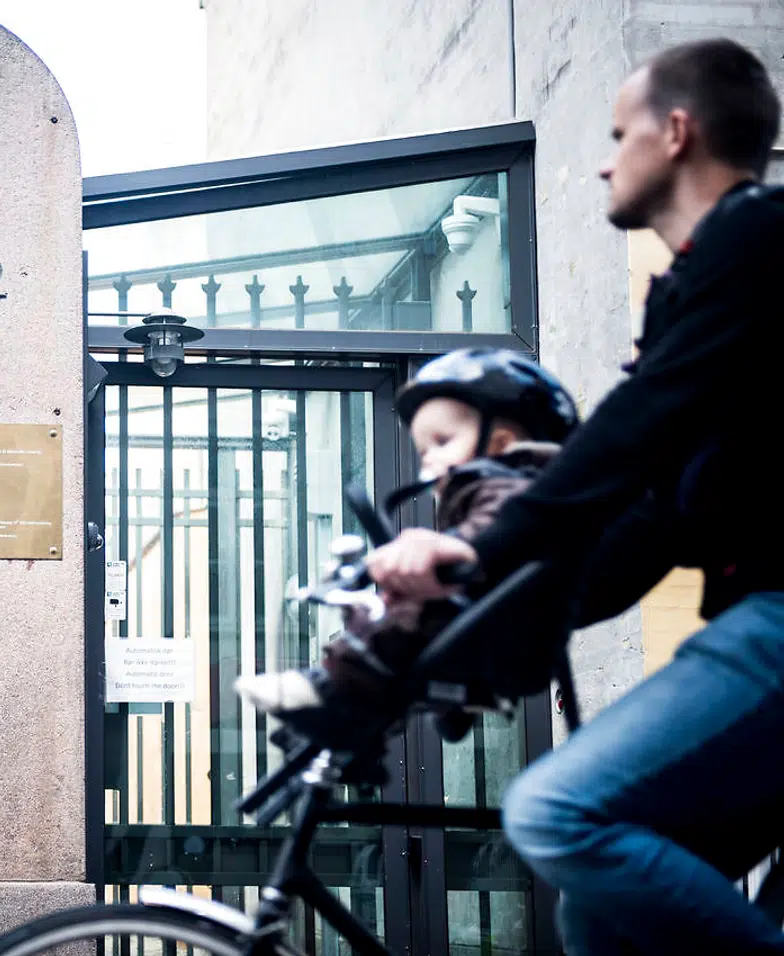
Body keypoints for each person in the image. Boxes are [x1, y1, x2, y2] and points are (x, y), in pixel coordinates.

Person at [363, 39, 784, 955]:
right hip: (753, 618)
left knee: (554, 810)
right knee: (601, 903)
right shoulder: (708, 287)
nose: (602, 157)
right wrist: (489, 609)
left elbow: (631, 430)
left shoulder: (759, 237)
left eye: (617, 132)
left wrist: (479, 549)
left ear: (676, 134)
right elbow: (655, 513)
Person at [235, 349, 577, 740]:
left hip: (499, 640)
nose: (428, 463)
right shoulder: (494, 488)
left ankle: (334, 684)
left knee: (395, 614)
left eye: (443, 442)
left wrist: (456, 547)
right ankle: (371, 710)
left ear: (500, 444)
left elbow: (502, 525)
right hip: (494, 640)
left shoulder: (511, 488)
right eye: (422, 451)